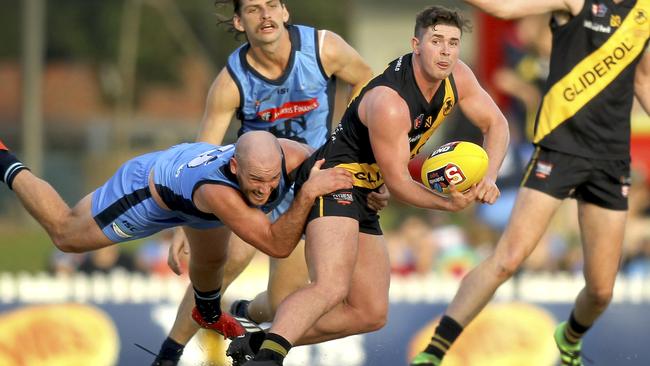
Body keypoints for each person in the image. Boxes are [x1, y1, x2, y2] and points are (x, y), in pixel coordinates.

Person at [231, 5, 509, 365]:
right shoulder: (390, 102)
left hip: (366, 188)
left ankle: (257, 343)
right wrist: (448, 204)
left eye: (453, 43)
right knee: (331, 287)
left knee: (370, 313)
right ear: (416, 44)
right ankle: (269, 358)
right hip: (333, 178)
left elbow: (497, 124)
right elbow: (400, 183)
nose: (445, 51)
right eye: (436, 41)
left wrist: (489, 177)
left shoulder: (460, 76)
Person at [410, 0, 650, 365]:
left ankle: (569, 338)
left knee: (601, 291)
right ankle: (434, 351)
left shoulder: (644, 11)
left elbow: (643, 77)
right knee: (507, 260)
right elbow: (506, 8)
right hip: (560, 148)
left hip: (611, 160)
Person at [153, 0, 380, 364]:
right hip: (252, 188)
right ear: (239, 22)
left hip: (307, 182)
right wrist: (187, 221)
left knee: (281, 305)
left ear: (286, 12)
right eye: (254, 9)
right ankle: (168, 353)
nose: (266, 15)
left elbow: (367, 81)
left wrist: (348, 141)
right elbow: (203, 151)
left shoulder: (324, 48)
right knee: (223, 264)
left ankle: (244, 311)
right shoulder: (231, 81)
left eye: (272, 5)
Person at [0, 131, 353, 342]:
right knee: (65, 234)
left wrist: (370, 193)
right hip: (150, 190)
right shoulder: (221, 192)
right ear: (235, 167)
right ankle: (5, 160)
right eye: (255, 181)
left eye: (272, 179)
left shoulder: (296, 156)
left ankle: (208, 313)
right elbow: (277, 244)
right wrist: (306, 195)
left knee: (213, 260)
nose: (264, 190)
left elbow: (344, 170)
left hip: (193, 184)